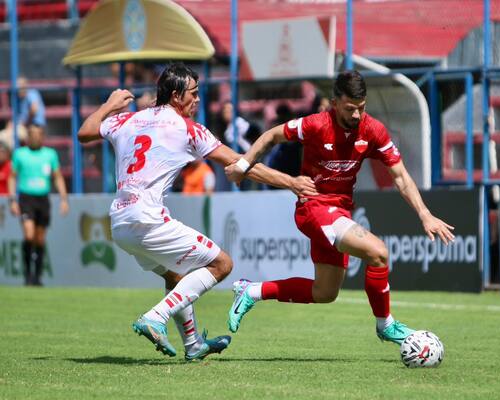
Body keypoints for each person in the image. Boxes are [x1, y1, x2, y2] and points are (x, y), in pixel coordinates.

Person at [77, 63, 317, 361]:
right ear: (176, 96)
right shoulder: (187, 129)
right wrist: (291, 181)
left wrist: (109, 105)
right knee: (222, 264)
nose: (198, 100)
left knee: (176, 276)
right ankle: (155, 317)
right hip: (148, 218)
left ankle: (193, 345)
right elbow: (239, 163)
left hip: (120, 223)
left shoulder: (128, 120)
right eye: (193, 93)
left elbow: (85, 132)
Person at [224, 70, 455, 348]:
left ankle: (251, 290)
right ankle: (386, 325)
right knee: (378, 252)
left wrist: (425, 214)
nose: (357, 115)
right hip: (314, 207)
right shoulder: (315, 125)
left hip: (340, 211)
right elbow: (272, 136)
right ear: (335, 103)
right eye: (350, 108)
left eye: (361, 108)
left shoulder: (373, 130)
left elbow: (401, 177)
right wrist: (243, 164)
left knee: (324, 292)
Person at [8, 124, 69, 286]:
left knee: (40, 239)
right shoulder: (20, 154)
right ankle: (27, 274)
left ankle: (38, 276)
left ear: (42, 136)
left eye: (38, 134)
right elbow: (12, 177)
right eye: (32, 134)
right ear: (28, 136)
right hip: (26, 198)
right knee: (28, 235)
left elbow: (57, 176)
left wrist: (64, 199)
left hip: (43, 199)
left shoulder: (50, 154)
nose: (35, 137)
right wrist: (13, 200)